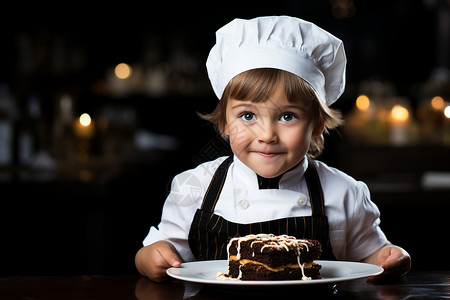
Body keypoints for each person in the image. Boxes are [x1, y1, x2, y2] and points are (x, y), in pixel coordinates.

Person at [135, 16, 411, 282]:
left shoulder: (344, 192)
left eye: (288, 116)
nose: (267, 135)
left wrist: (393, 258)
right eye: (247, 115)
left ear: (316, 124)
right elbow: (159, 250)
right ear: (224, 123)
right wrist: (149, 260)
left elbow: (373, 258)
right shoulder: (193, 186)